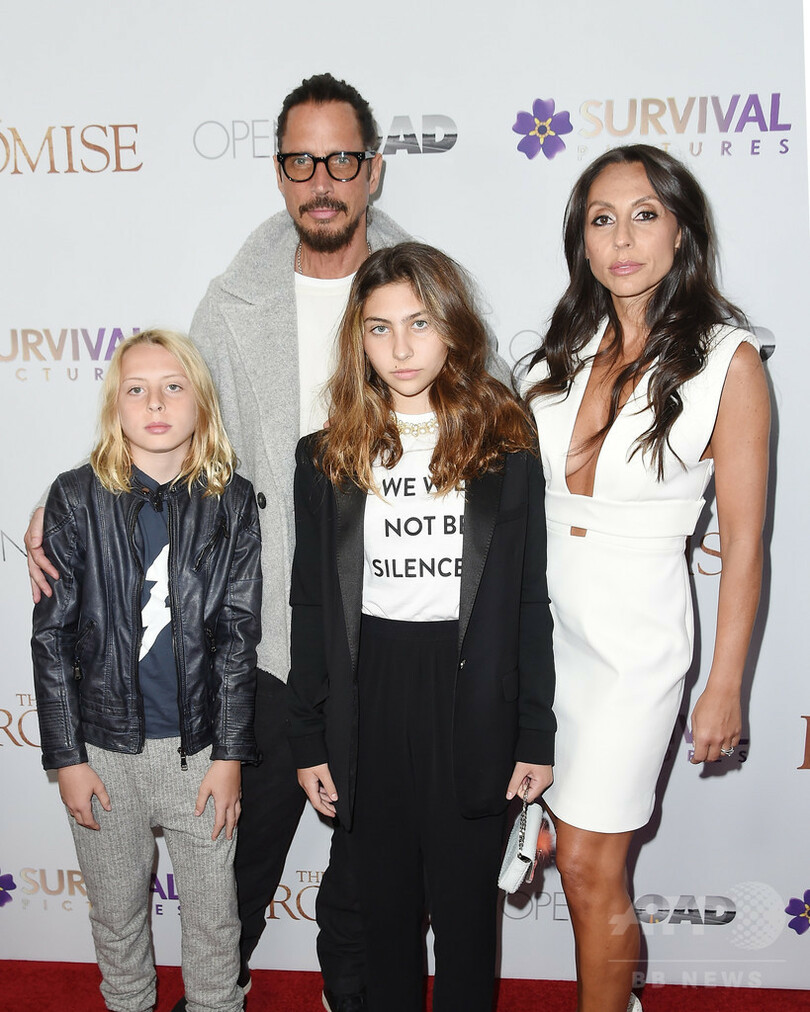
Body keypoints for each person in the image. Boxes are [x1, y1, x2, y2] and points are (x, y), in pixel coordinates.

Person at [24, 73, 509, 1012]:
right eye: (300, 161)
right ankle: (218, 994)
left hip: (394, 641)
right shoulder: (232, 302)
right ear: (280, 172)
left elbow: (488, 434)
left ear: (373, 169)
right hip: (272, 642)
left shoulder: (422, 292)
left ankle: (352, 993)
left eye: (340, 160)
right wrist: (67, 499)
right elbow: (176, 427)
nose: (321, 181)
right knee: (235, 867)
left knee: (372, 870)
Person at [522, 145, 770, 1012]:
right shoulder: (554, 358)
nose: (622, 238)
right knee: (568, 859)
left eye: (644, 215)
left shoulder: (729, 362)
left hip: (634, 647)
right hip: (541, 634)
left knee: (591, 862)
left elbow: (746, 544)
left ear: (681, 231)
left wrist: (725, 684)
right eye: (602, 219)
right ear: (581, 241)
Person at [286, 242, 556, 1012]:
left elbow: (528, 599)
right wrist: (307, 736)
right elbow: (312, 605)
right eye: (379, 328)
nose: (400, 348)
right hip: (370, 699)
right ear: (358, 339)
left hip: (472, 701)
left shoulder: (507, 450)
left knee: (469, 926)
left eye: (420, 323)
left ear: (453, 329)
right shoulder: (325, 457)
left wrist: (535, 732)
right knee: (386, 922)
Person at [31, 329, 262, 1012]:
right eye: (137, 389)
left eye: (173, 386)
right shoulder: (74, 498)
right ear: (115, 405)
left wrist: (230, 755)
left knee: (216, 922)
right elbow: (51, 639)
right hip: (104, 755)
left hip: (200, 756)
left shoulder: (232, 500)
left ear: (201, 402)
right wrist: (68, 759)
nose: (155, 403)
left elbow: (238, 638)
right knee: (117, 916)